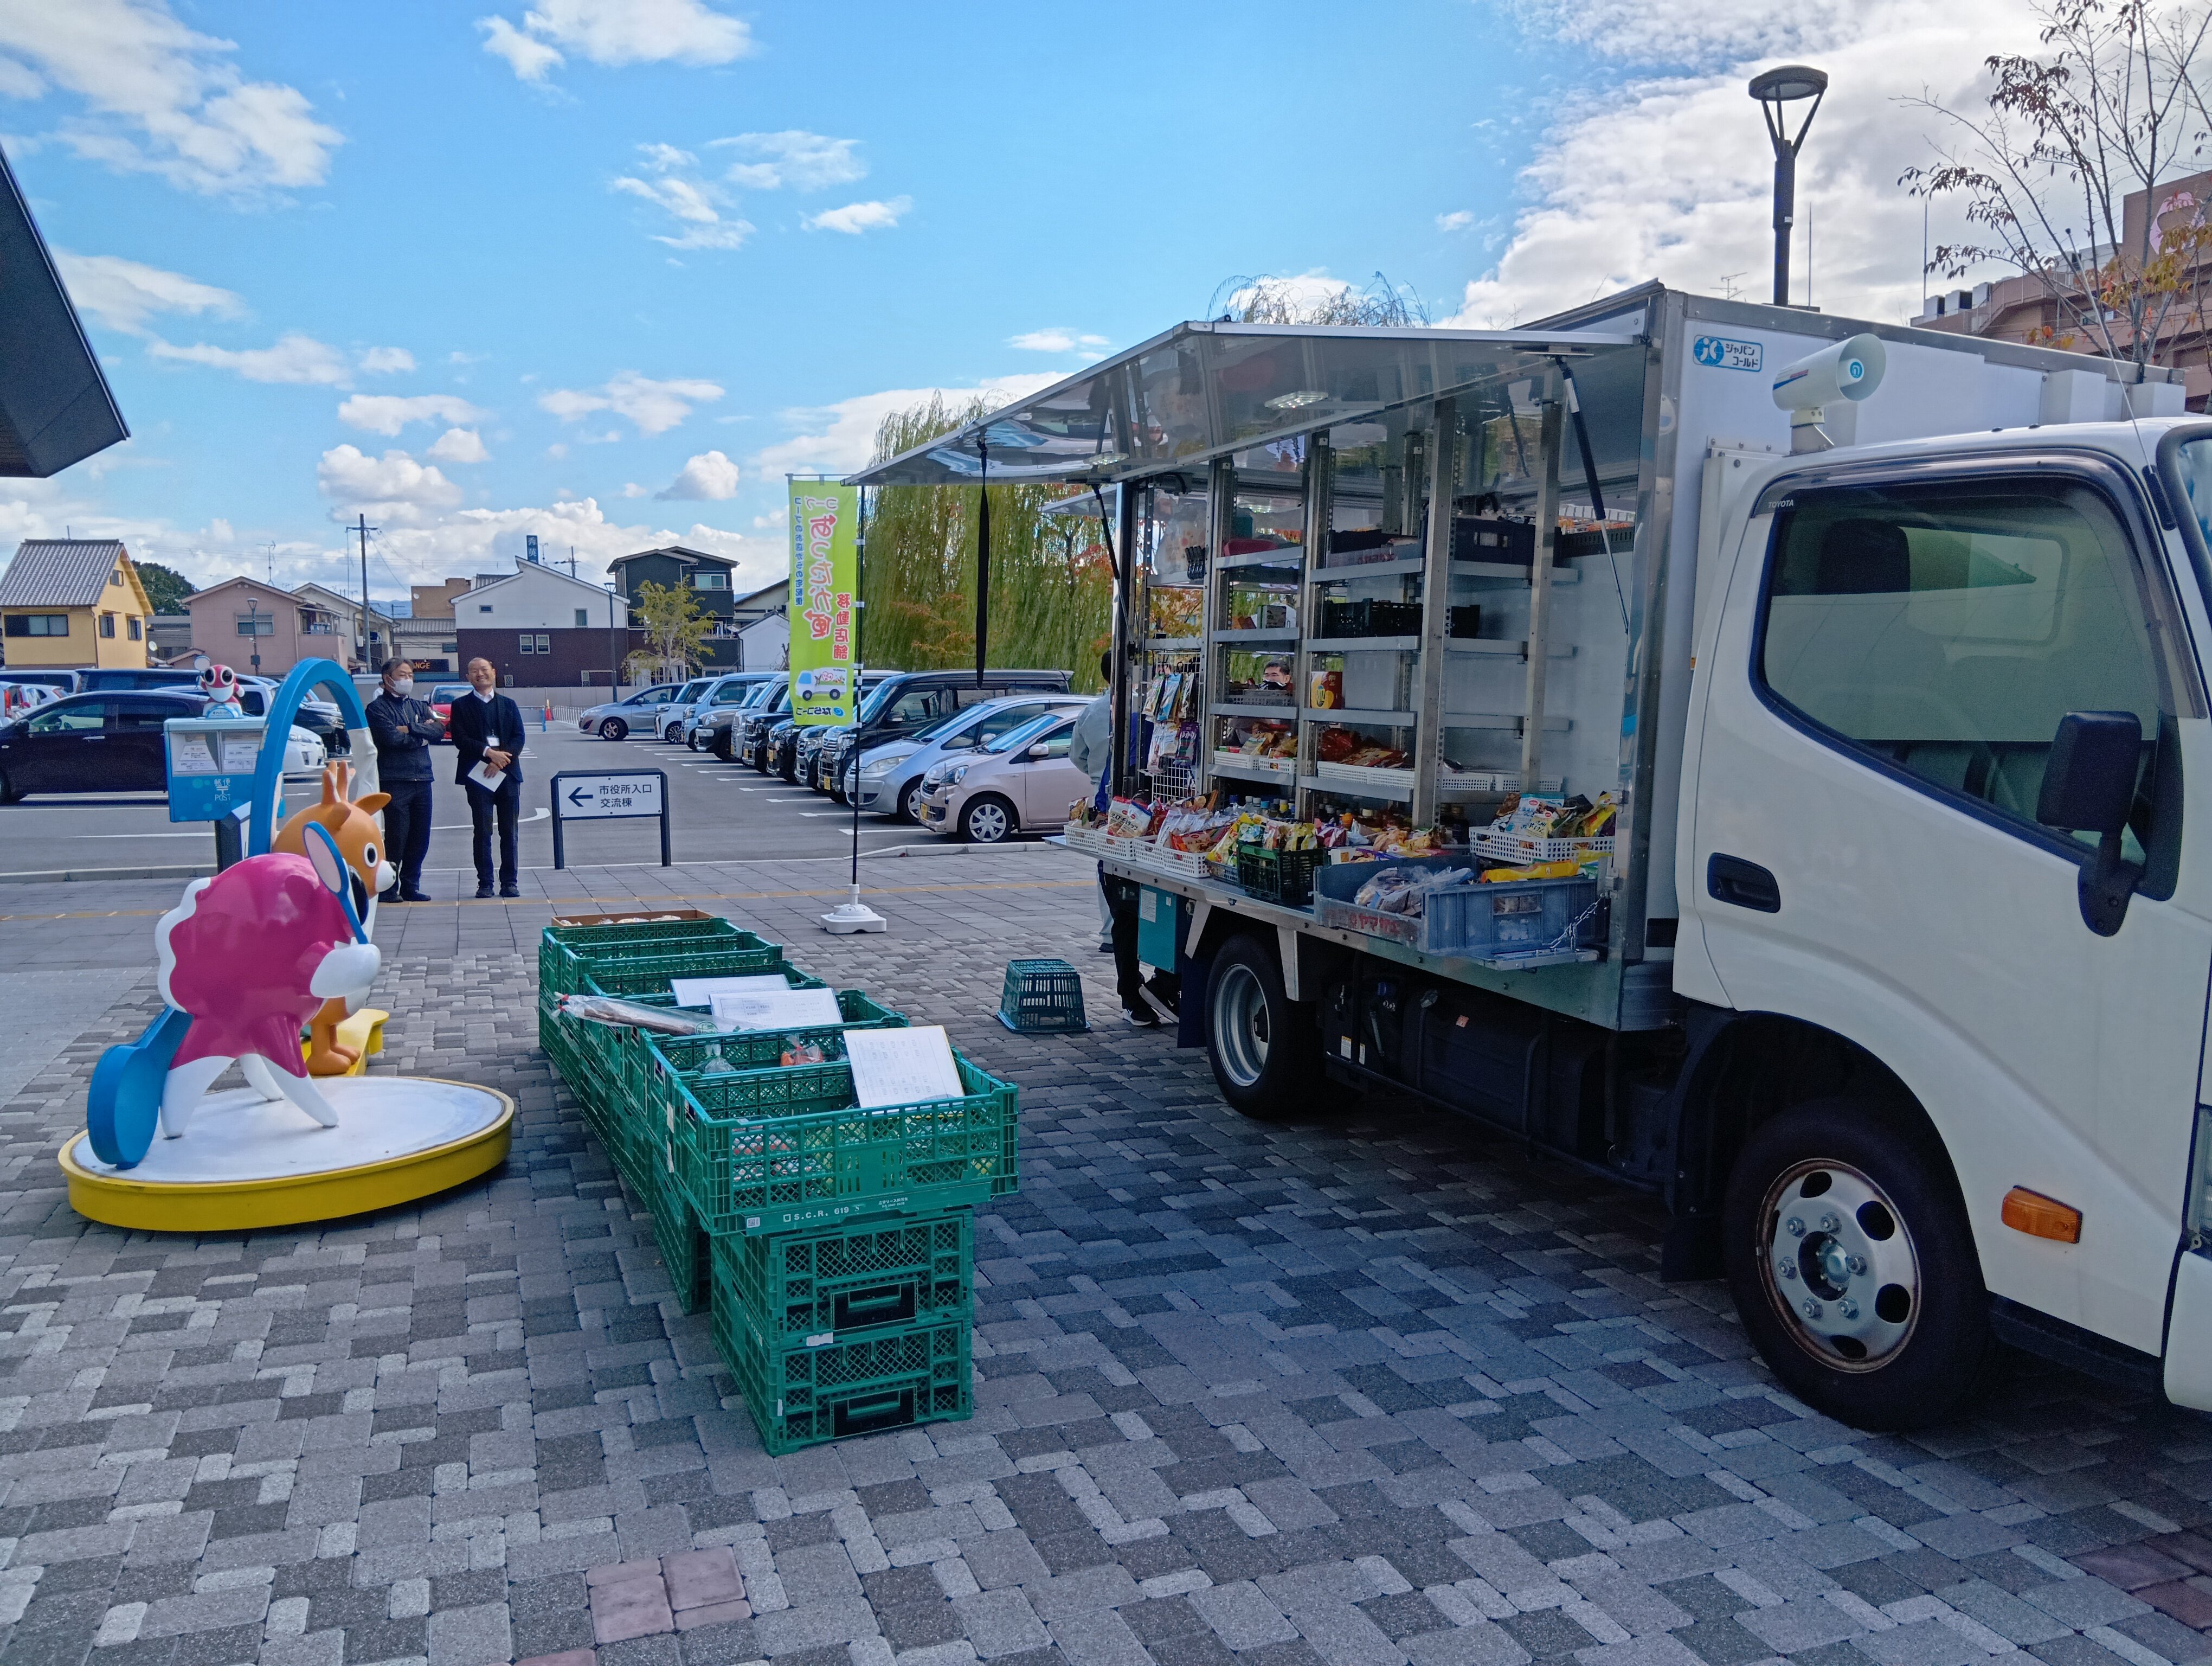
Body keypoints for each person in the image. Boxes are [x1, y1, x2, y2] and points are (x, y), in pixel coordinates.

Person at [1069, 651, 1178, 1027]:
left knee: (1128, 915)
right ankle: (1139, 993)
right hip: (1130, 823)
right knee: (1132, 914)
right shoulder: (1138, 721)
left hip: (1124, 823)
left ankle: (1142, 993)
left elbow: (1077, 758)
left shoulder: (1129, 717)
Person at [446, 656, 526, 898]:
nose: (479, 674)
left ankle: (510, 882)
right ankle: (485, 883)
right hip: (477, 774)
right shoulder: (460, 706)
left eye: (484, 670)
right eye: (474, 671)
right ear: (468, 677)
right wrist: (488, 753)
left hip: (508, 773)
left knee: (509, 830)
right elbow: (460, 738)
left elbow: (519, 737)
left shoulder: (509, 704)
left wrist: (501, 760)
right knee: (482, 830)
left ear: (494, 672)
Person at [365, 659, 442, 901]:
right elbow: (390, 739)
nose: (407, 679)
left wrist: (410, 729)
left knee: (420, 837)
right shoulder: (377, 709)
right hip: (394, 779)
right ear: (388, 679)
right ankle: (389, 887)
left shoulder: (420, 705)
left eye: (410, 675)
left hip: (423, 778)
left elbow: (439, 731)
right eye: (402, 675)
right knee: (397, 836)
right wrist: (421, 732)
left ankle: (411, 885)